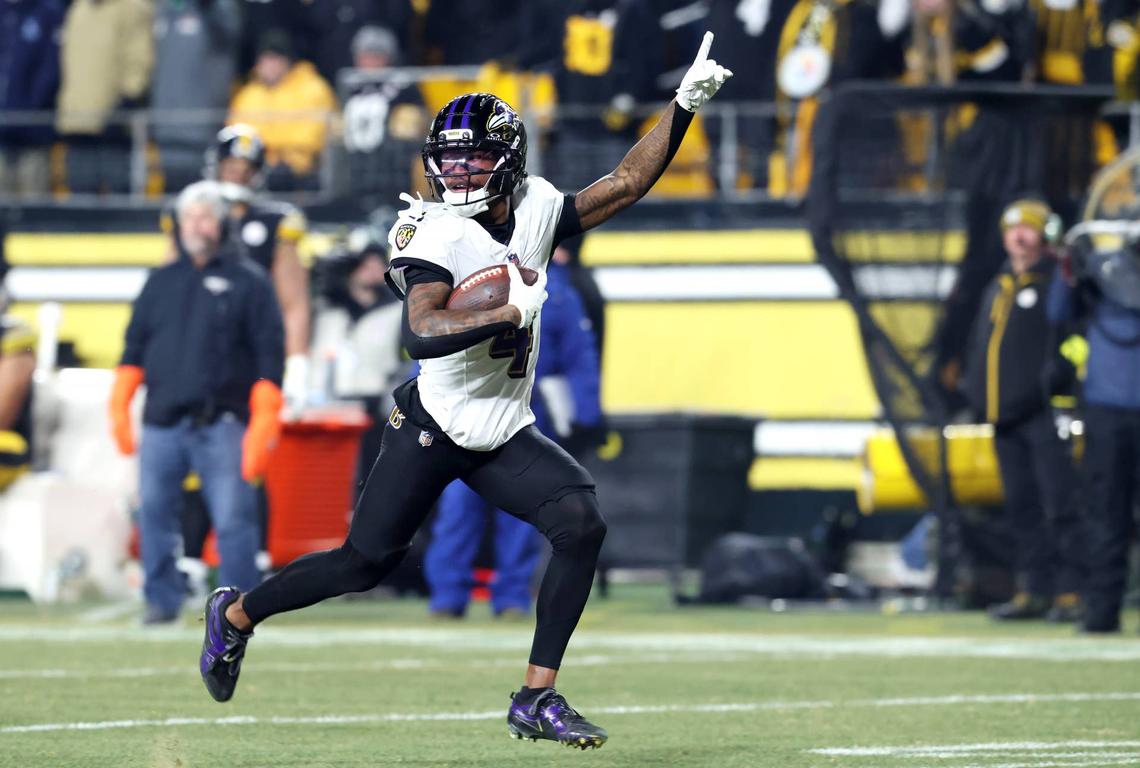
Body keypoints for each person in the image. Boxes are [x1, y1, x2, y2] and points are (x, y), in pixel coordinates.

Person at [198, 34, 731, 748]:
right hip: (435, 423)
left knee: (580, 524)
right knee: (365, 562)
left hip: (503, 427)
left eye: (476, 158)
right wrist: (509, 310)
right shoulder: (433, 232)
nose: (460, 171)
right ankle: (235, 616)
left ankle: (536, 698)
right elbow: (421, 331)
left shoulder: (537, 205)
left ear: (507, 160)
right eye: (450, 161)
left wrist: (682, 106)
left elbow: (625, 183)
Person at [113, 181, 284, 625]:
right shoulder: (159, 281)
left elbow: (269, 351)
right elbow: (134, 346)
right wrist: (121, 397)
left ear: (223, 223)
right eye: (189, 216)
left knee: (233, 519)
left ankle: (237, 609)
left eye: (205, 216)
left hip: (223, 421)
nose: (196, 225)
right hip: (163, 420)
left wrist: (266, 405)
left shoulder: (249, 281)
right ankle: (161, 600)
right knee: (153, 515)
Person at [424, 260, 603, 619]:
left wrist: (586, 412)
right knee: (461, 509)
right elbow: (435, 345)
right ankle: (449, 595)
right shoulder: (473, 280)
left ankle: (508, 595)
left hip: (520, 409)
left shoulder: (556, 292)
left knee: (517, 512)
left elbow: (577, 353)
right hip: (471, 410)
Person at [962, 198, 1086, 622]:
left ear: (1044, 234)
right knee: (1022, 508)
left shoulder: (1057, 281)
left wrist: (1051, 383)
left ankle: (1072, 591)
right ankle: (1033, 589)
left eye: (1028, 228)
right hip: (1004, 418)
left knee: (1061, 504)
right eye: (1012, 229)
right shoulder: (998, 285)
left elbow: (1075, 340)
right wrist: (976, 394)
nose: (1018, 236)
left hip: (1043, 413)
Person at [162, 124, 311, 413]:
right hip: (194, 342)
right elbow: (166, 290)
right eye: (230, 167)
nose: (238, 175)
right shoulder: (186, 215)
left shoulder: (274, 222)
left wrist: (297, 367)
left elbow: (294, 304)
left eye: (245, 169)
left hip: (250, 344)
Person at [1050, 200, 1140, 634]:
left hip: (1114, 411)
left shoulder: (1113, 274)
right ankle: (1101, 611)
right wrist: (1070, 267)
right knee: (1105, 515)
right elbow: (1058, 311)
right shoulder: (1104, 273)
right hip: (1107, 413)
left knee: (1108, 515)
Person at [55, 0, 154, 195]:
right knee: (78, 203)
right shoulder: (78, 8)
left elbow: (140, 60)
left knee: (117, 204)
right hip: (76, 124)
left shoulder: (133, 8)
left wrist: (126, 101)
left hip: (113, 126)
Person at [228, 29, 337, 191]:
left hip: (301, 171)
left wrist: (274, 149)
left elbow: (312, 137)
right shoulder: (247, 95)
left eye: (276, 59)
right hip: (254, 170)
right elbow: (237, 135)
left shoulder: (312, 88)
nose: (271, 65)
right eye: (266, 59)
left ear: (288, 61)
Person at [151, 0, 242, 193]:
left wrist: (208, 7)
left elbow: (229, 34)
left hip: (201, 130)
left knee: (201, 202)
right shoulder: (164, 8)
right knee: (172, 203)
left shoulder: (218, 7)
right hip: (165, 128)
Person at [339, 26, 428, 208]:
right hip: (358, 161)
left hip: (393, 164)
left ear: (389, 58)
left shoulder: (405, 86)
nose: (370, 63)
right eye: (365, 56)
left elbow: (418, 123)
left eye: (376, 56)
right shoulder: (350, 86)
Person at [0, 0, 65, 198]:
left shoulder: (48, 13)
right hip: (2, 137)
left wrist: (27, 112)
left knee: (32, 210)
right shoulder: (4, 12)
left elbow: (50, 72)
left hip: (33, 134)